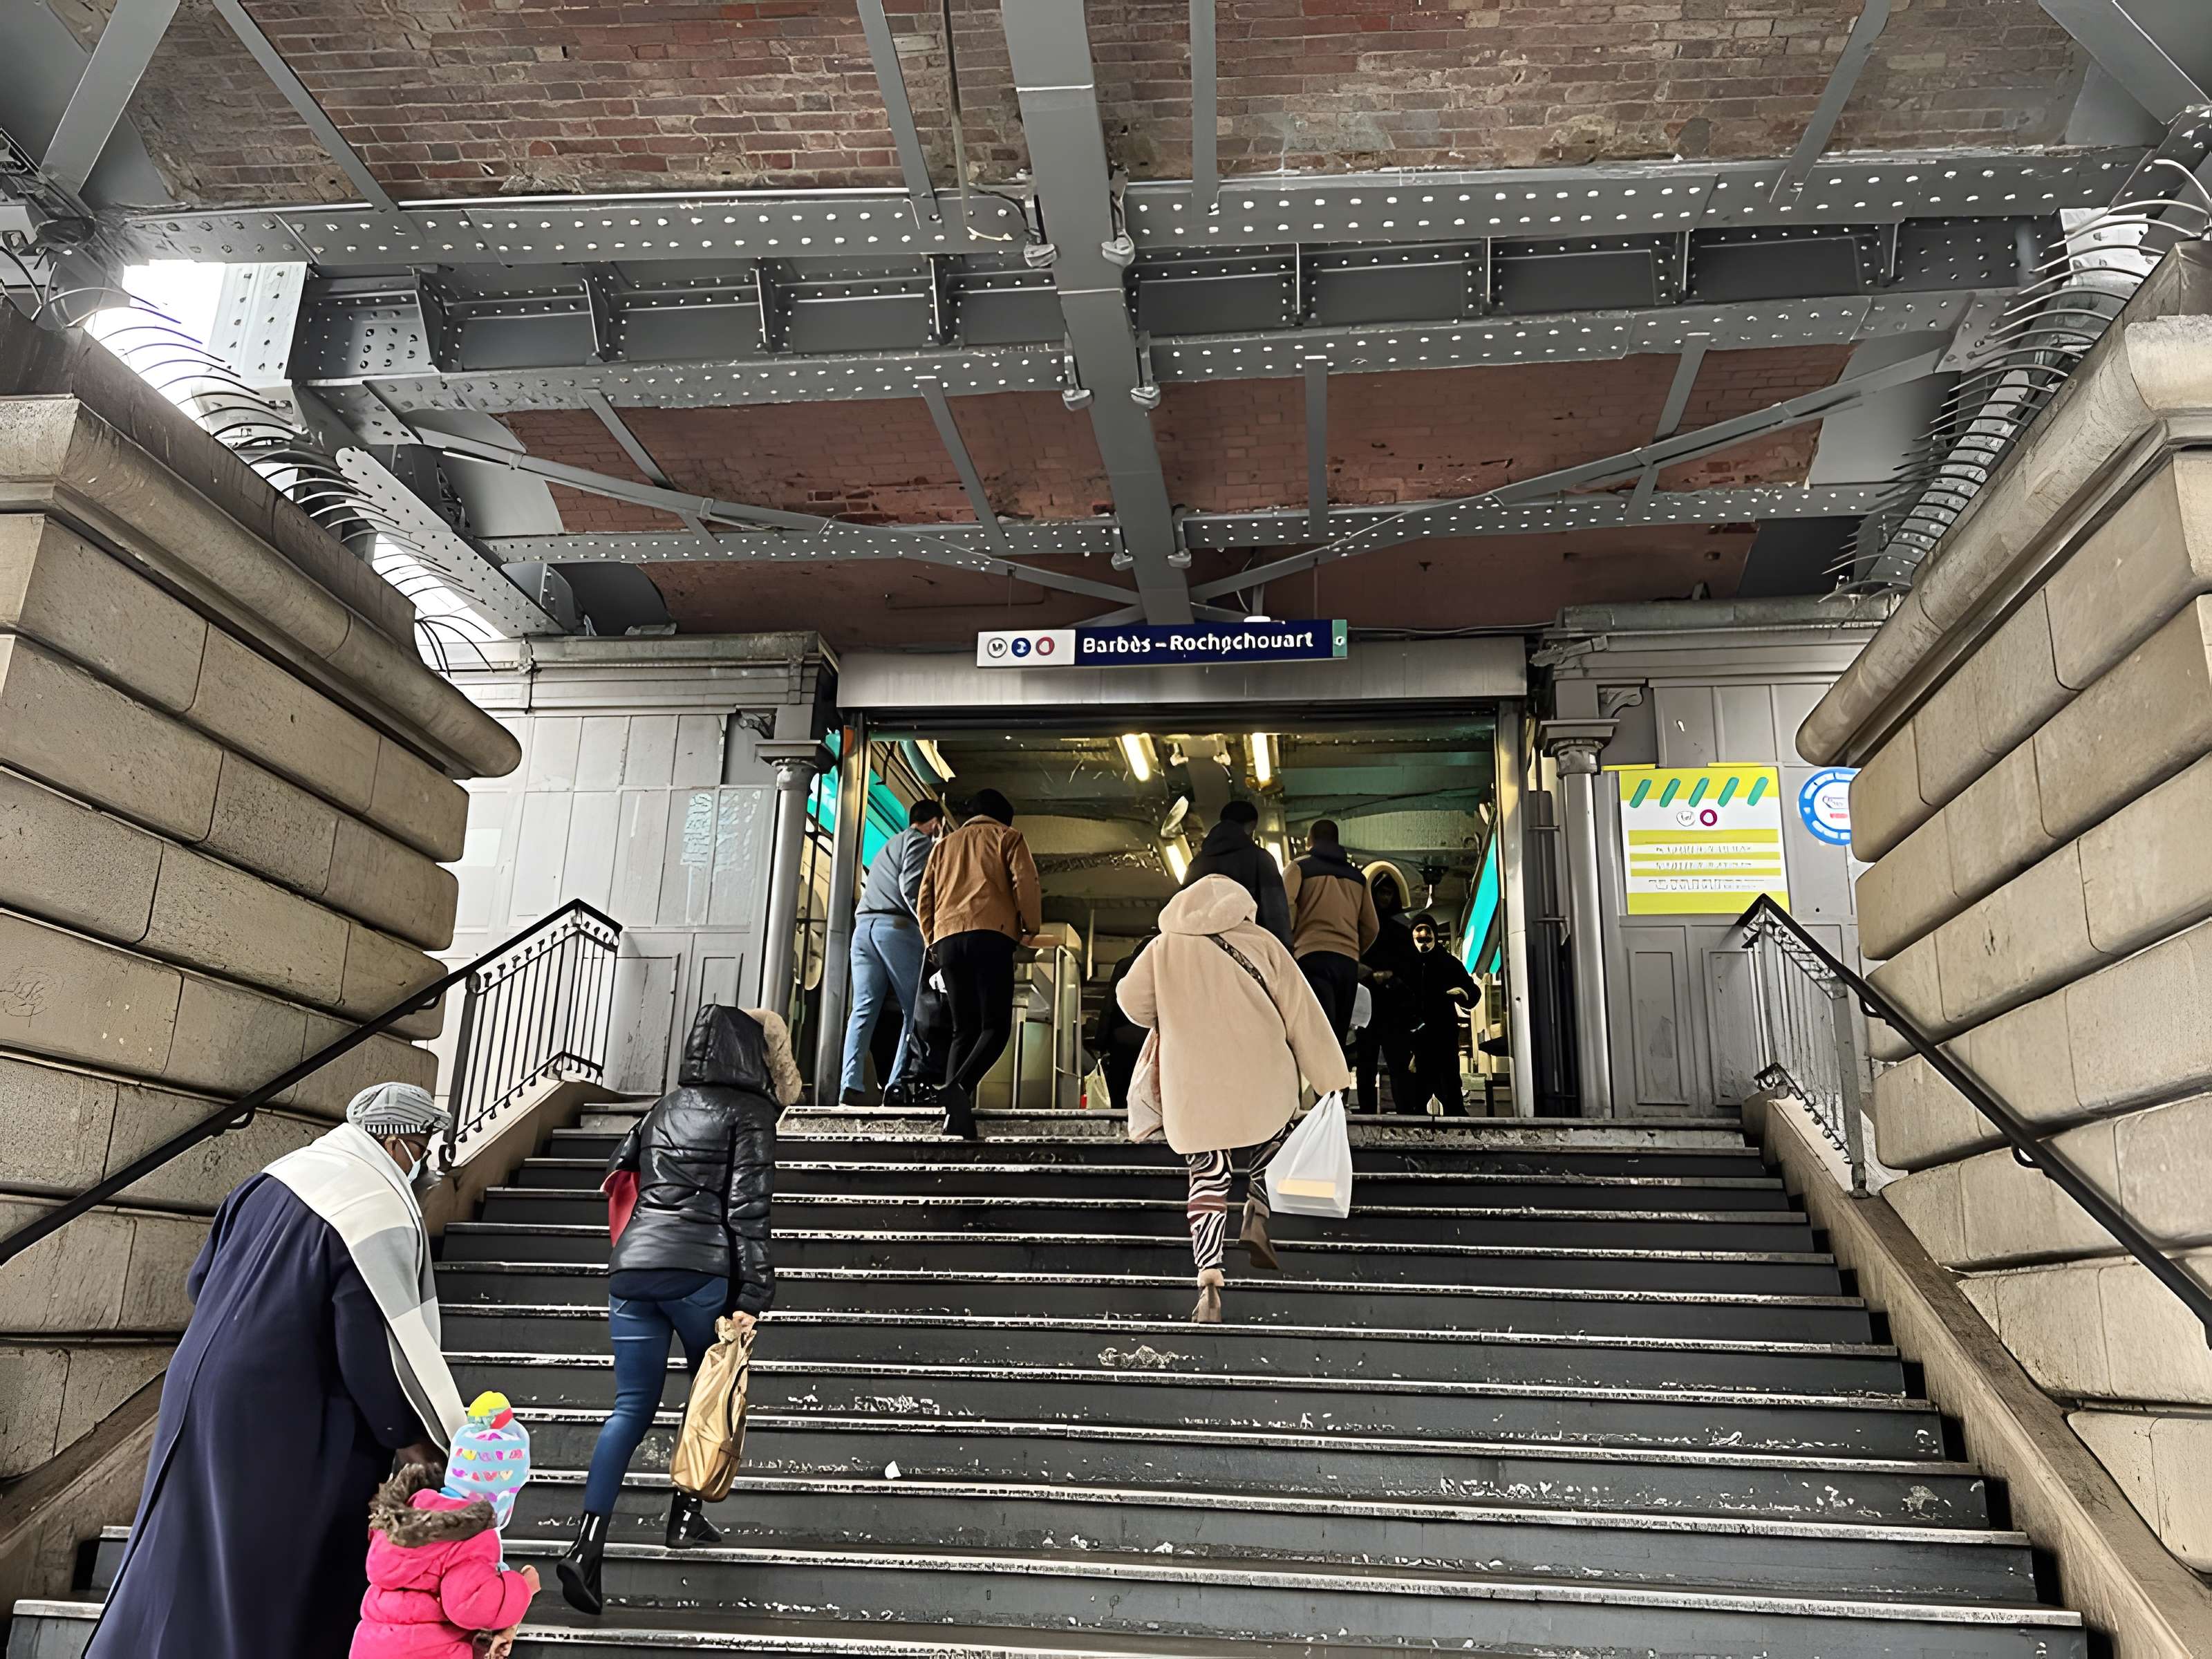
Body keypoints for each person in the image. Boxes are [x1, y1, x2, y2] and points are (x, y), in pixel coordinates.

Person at [88, 1083, 469, 1659]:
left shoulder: (278, 1175)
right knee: (272, 1579)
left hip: (200, 1387)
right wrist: (422, 1445)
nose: (422, 1162)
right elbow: (375, 1345)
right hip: (288, 1410)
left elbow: (201, 1279)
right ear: (394, 1142)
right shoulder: (371, 1202)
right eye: (422, 1144)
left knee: (181, 1555)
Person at [559, 1004, 802, 1615]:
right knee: (710, 1399)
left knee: (631, 1408)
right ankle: (684, 1518)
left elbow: (622, 1173)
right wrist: (753, 1296)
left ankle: (586, 1548)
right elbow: (749, 1211)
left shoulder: (663, 1107)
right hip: (700, 1273)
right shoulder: (751, 1113)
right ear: (750, 1054)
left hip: (633, 1271)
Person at [1115, 874, 1353, 1321]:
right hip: (1262, 1073)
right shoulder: (1262, 942)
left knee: (1208, 1175)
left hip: (1195, 1086)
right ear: (1241, 906)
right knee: (1273, 1136)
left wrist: (1174, 1003)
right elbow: (1303, 1013)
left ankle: (1208, 1283)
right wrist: (1331, 1081)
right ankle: (1257, 1211)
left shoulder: (1164, 947)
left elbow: (1131, 1003)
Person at [353, 1392, 538, 1659]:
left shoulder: (409, 1515)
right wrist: (521, 1587)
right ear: (501, 1494)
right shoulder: (472, 1534)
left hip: (372, 1646)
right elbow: (470, 1605)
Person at [916, 787, 1044, 1139]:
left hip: (948, 940)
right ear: (1004, 817)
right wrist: (1031, 927)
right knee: (996, 1026)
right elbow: (1026, 883)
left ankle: (954, 1119)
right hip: (992, 935)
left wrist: (933, 939)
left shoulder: (944, 846)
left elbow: (924, 897)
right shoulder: (1008, 837)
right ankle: (959, 1086)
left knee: (964, 1028)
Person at [839, 798, 946, 1104]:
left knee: (863, 1008)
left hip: (864, 930)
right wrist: (929, 931)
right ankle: (896, 1085)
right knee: (915, 1010)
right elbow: (910, 886)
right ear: (936, 824)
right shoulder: (919, 842)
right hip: (896, 928)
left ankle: (851, 1084)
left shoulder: (889, 845)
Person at [1282, 818, 1379, 1044]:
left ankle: (1316, 1079)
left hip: (1310, 957)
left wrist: (1290, 944)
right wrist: (1353, 951)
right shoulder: (1358, 878)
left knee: (1313, 1033)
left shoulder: (1299, 868)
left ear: (1310, 841)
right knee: (1337, 1036)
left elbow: (1285, 907)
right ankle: (1337, 1079)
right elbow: (1371, 926)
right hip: (1346, 963)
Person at [1395, 914, 1479, 1117]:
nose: (1424, 941)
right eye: (1420, 938)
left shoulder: (1448, 963)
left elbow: (1472, 993)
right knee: (1415, 1094)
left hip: (1443, 1036)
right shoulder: (1404, 964)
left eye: (1427, 937)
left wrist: (1461, 993)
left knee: (1450, 1089)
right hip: (1414, 1038)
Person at [1183, 799, 1291, 948]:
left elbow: (1184, 911)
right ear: (1252, 825)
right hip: (1250, 952)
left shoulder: (1197, 863)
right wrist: (1285, 952)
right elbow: (1275, 914)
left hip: (1205, 950)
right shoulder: (1260, 859)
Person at [1357, 870, 1419, 1114]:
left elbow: (1410, 969)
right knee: (1367, 1062)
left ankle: (1404, 1110)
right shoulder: (1363, 929)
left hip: (1391, 1006)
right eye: (1382, 892)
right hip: (1370, 1004)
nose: (1385, 897)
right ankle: (1367, 1111)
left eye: (1389, 892)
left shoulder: (1400, 931)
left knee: (1397, 1062)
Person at [1086, 940, 1154, 1113]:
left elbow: (1109, 1006)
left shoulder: (1125, 965)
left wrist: (1101, 1042)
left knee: (1120, 1090)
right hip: (1150, 1040)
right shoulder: (1163, 965)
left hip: (1121, 1041)